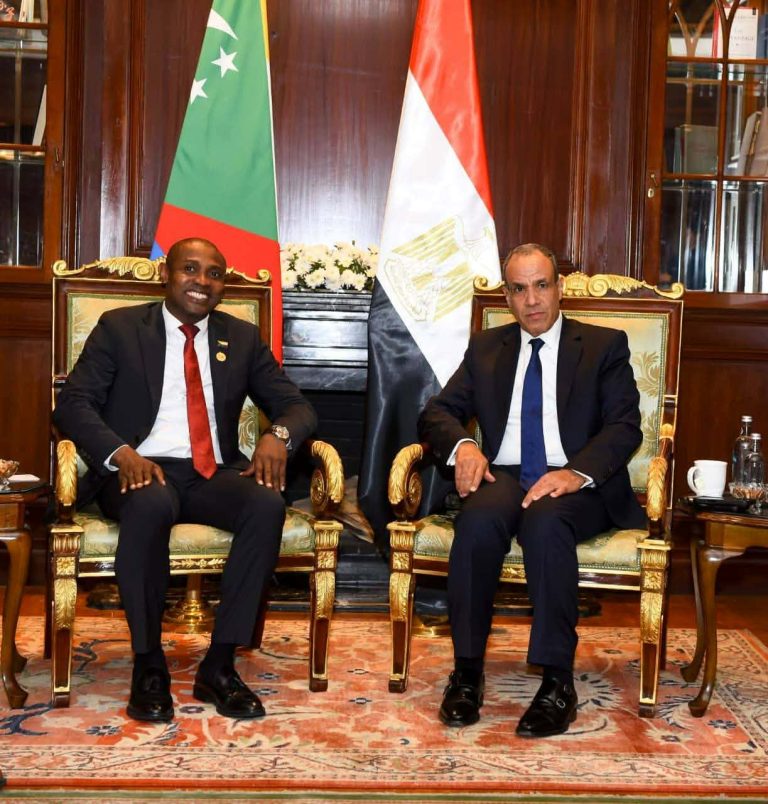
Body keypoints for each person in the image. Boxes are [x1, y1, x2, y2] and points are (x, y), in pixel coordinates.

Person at [53, 237, 317, 723]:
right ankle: (148, 663)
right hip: (141, 468)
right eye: (189, 269)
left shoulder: (240, 337)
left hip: (211, 472)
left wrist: (277, 436)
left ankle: (219, 664)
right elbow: (73, 404)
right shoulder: (120, 328)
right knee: (150, 505)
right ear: (165, 275)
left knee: (266, 504)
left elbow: (297, 406)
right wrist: (121, 454)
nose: (202, 281)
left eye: (214, 273)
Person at [418, 243, 645, 738]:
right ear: (507, 297)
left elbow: (624, 426)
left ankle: (557, 683)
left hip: (577, 483)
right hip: (505, 474)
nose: (533, 299)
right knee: (477, 521)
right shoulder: (486, 348)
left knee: (546, 522)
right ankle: (467, 672)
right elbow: (437, 412)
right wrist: (465, 446)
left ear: (560, 288)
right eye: (519, 289)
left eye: (542, 285)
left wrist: (575, 473)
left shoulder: (603, 346)